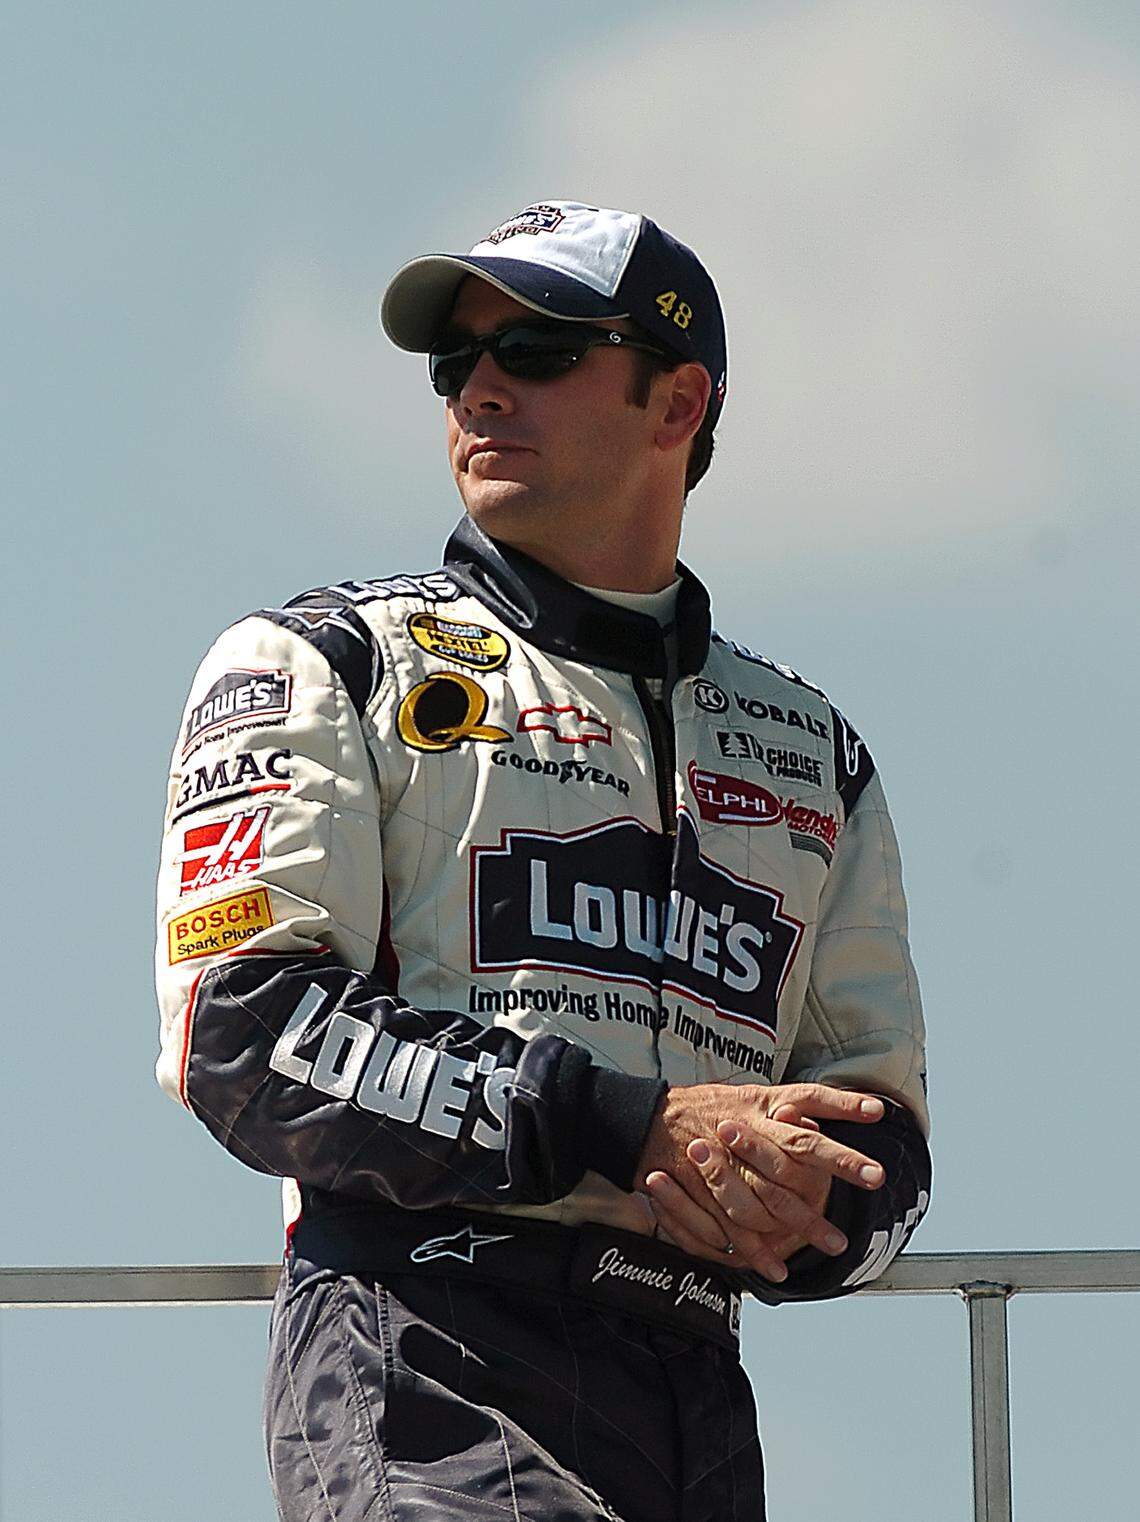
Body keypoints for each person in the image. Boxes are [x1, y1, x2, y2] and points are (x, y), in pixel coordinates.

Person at [155, 200, 931, 1522]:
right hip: (424, 1344)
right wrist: (627, 1128)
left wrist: (814, 1208)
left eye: (541, 347)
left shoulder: (815, 753)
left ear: (677, 402)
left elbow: (885, 1141)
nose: (484, 386)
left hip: (695, 1388)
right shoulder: (327, 664)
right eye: (460, 361)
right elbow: (243, 1037)